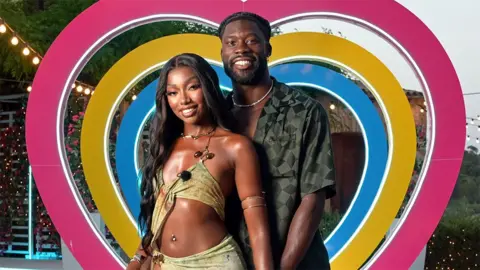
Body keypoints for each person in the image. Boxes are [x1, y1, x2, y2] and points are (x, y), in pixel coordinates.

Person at [126, 53, 274, 270]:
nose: (183, 100)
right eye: (173, 92)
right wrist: (137, 260)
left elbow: (258, 228)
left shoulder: (235, 146)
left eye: (192, 87)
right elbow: (158, 214)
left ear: (208, 87)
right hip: (162, 264)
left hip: (214, 263)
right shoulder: (164, 147)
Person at [219, 12, 337, 270]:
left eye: (252, 41)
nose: (241, 49)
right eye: (231, 43)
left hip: (297, 263)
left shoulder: (305, 111)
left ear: (268, 49)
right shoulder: (217, 118)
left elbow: (313, 198)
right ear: (222, 53)